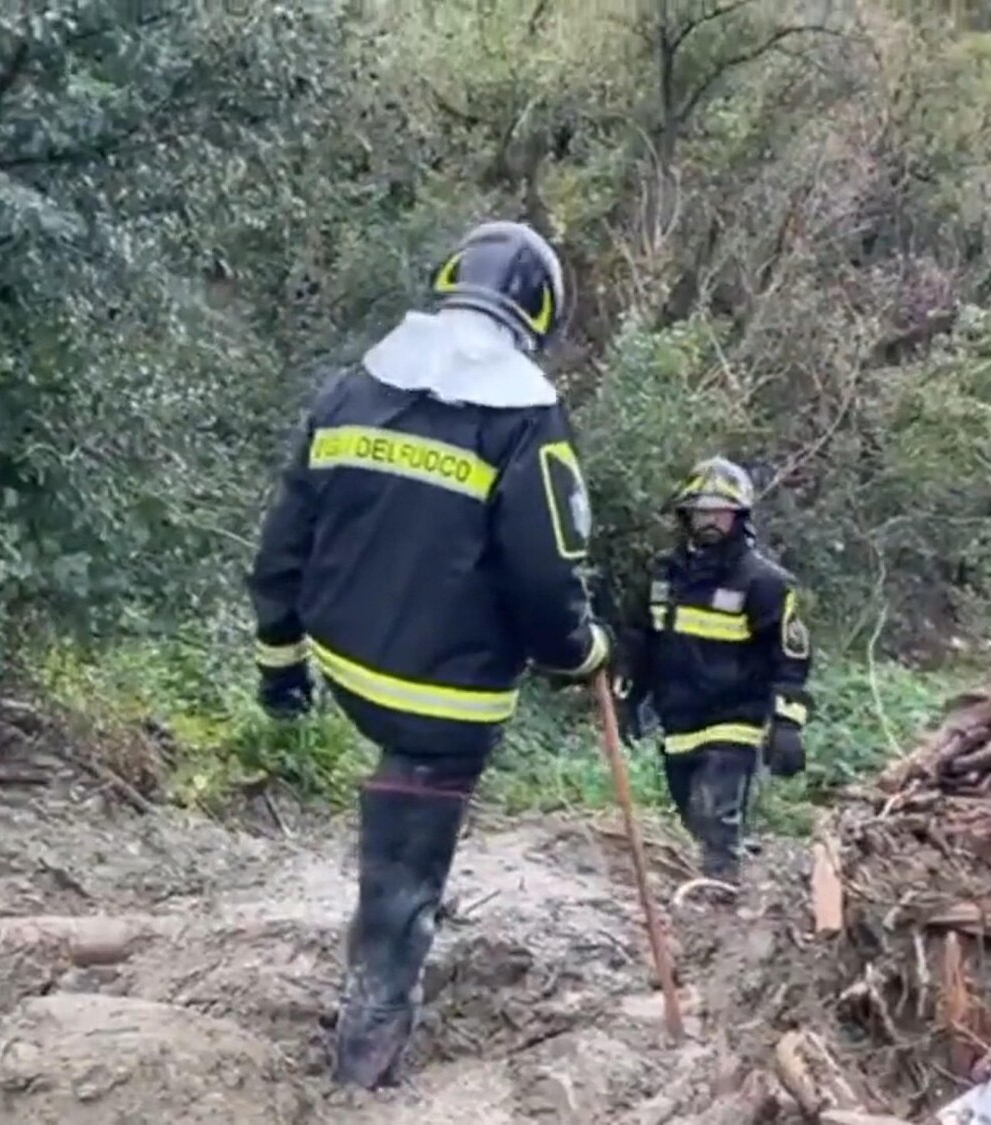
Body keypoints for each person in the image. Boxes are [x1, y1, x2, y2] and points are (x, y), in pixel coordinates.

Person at [245, 221, 611, 1090]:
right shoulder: (525, 417)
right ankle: (370, 1037)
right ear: (540, 313)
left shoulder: (353, 388)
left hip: (344, 655)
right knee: (412, 838)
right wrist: (581, 650)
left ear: (451, 278)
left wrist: (279, 657)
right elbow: (544, 574)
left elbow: (285, 535)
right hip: (445, 692)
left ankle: (390, 911)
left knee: (401, 783)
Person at [616, 456, 813, 885]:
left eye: (719, 513)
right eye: (700, 512)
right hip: (677, 721)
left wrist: (787, 724)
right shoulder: (662, 576)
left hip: (734, 721)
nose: (709, 522)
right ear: (685, 516)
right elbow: (636, 639)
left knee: (714, 818)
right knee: (691, 820)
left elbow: (790, 660)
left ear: (739, 517)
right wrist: (627, 696)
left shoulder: (764, 583)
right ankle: (718, 890)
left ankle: (720, 894)